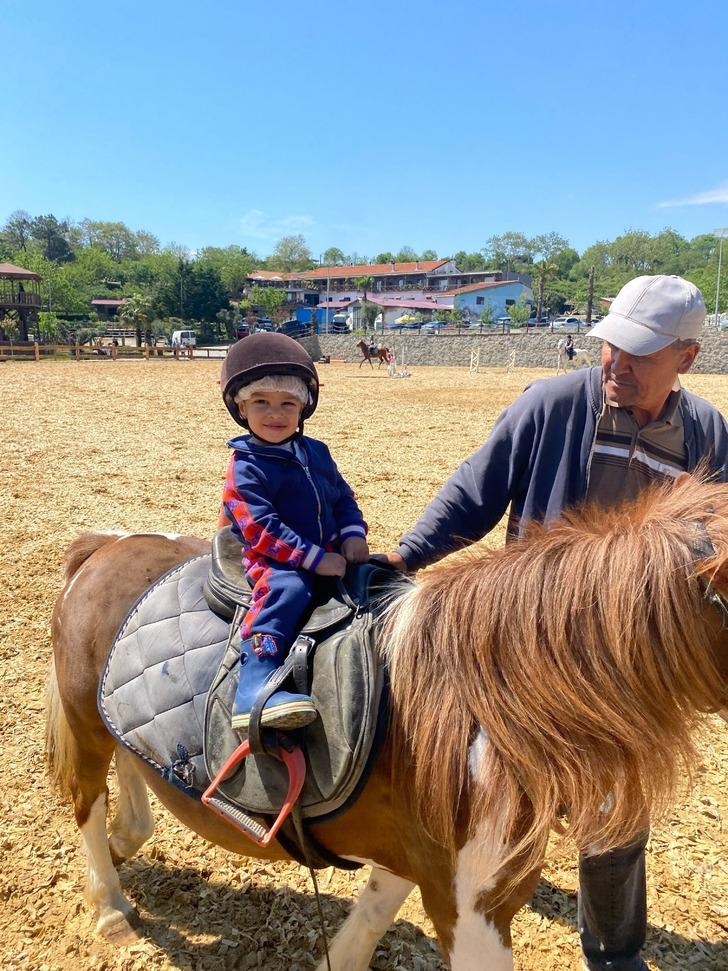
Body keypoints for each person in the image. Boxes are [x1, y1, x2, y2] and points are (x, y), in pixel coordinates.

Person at [381, 274, 728, 971]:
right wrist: (404, 556)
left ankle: (613, 950)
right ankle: (497, 888)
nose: (615, 364)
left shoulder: (707, 436)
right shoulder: (555, 403)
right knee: (498, 791)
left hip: (630, 665)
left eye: (638, 354)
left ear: (687, 358)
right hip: (529, 645)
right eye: (610, 346)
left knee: (616, 813)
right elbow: (475, 490)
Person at [219, 333, 369, 733]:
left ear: (304, 407)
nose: (276, 413)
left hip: (332, 548)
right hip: (276, 560)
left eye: (288, 403)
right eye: (261, 403)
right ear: (241, 406)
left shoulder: (316, 451)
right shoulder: (245, 467)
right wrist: (315, 559)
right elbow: (261, 528)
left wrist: (353, 533)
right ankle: (255, 678)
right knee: (289, 590)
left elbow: (341, 496)